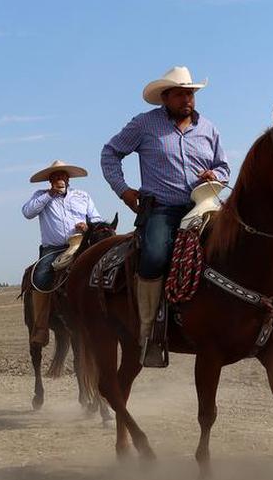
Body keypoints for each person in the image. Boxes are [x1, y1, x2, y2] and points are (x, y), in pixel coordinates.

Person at [101, 66, 230, 366]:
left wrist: (216, 175)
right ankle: (149, 333)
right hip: (163, 209)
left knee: (233, 246)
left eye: (191, 94)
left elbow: (223, 166)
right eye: (180, 94)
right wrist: (124, 190)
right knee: (155, 256)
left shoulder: (208, 128)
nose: (187, 99)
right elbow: (110, 153)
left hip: (205, 205)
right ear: (165, 98)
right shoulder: (144, 124)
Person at [22, 160, 103, 345]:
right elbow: (27, 212)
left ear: (68, 178)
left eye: (62, 175)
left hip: (81, 243)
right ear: (50, 180)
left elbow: (96, 218)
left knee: (103, 269)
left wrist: (88, 226)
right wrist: (49, 195)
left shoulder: (82, 196)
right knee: (40, 277)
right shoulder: (41, 196)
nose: (60, 178)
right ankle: (40, 327)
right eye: (55, 176)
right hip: (54, 249)